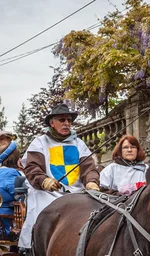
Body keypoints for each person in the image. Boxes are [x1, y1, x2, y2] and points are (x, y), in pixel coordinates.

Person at [18, 102, 100, 248]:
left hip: (77, 193)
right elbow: (32, 168)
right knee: (42, 208)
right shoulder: (39, 143)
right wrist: (44, 181)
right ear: (52, 123)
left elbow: (89, 168)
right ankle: (36, 249)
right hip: (48, 192)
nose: (67, 123)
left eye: (69, 120)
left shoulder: (79, 144)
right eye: (62, 120)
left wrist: (91, 181)